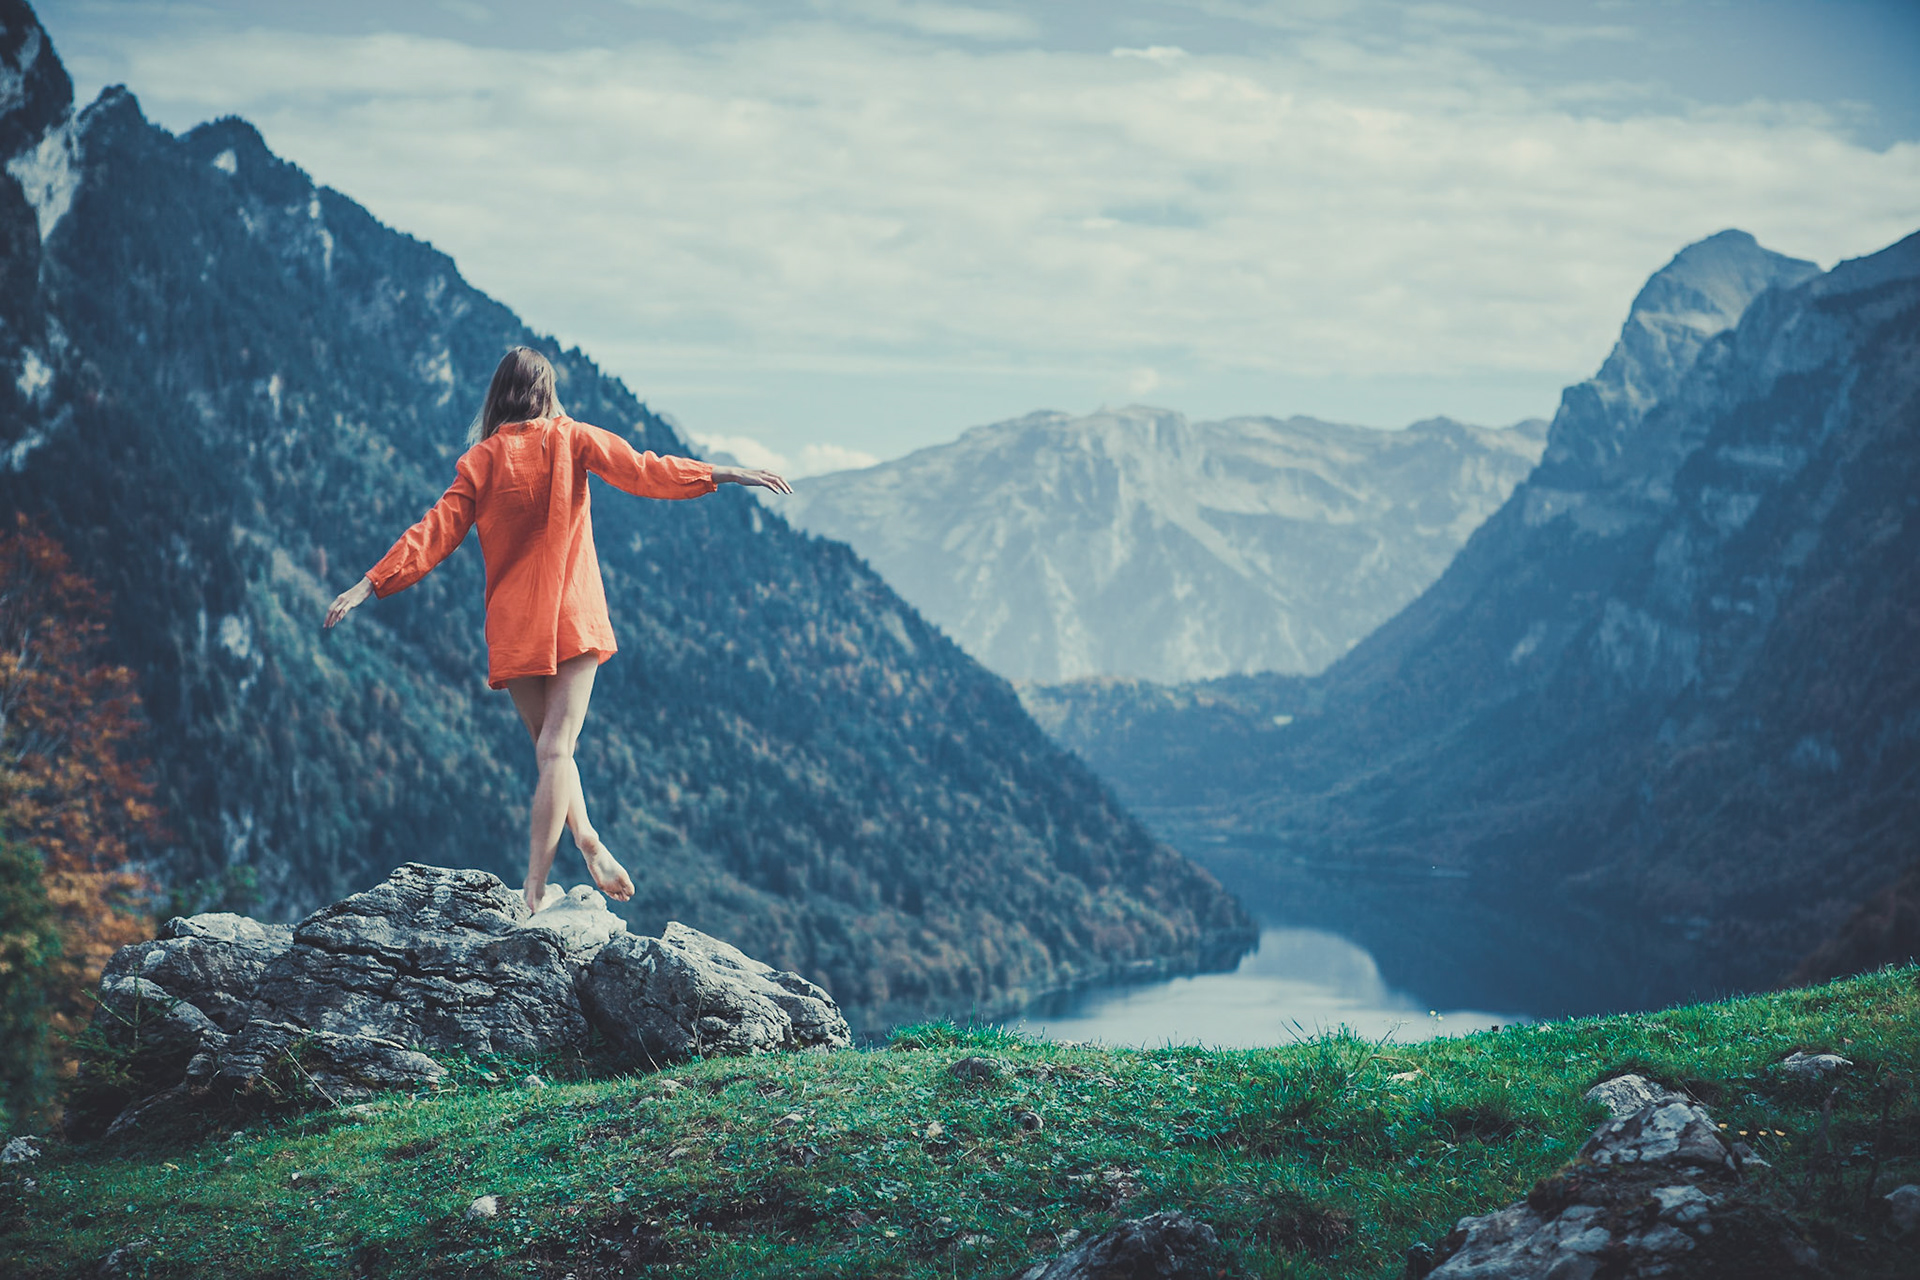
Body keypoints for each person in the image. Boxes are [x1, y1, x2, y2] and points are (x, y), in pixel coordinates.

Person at [323, 346, 791, 913]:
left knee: (551, 752)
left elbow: (432, 534)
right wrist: (723, 473)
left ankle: (584, 843)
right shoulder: (572, 438)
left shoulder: (481, 461)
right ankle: (538, 886)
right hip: (574, 617)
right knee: (557, 751)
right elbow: (644, 470)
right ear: (546, 391)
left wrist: (368, 584)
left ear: (498, 394)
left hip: (516, 625)